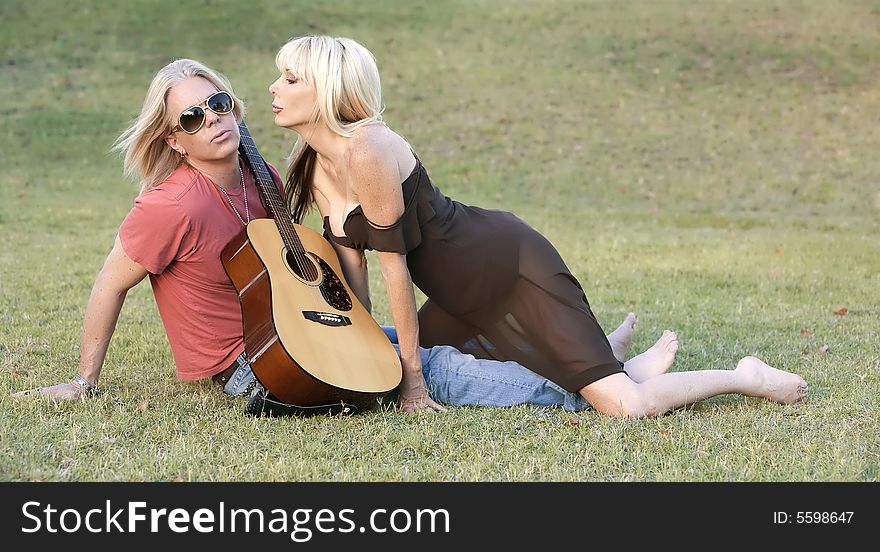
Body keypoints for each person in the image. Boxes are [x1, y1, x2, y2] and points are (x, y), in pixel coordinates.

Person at [10, 57, 639, 416]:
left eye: (222, 102)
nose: (217, 120)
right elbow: (108, 282)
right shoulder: (169, 205)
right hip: (253, 365)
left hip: (303, 328)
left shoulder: (263, 182)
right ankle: (590, 392)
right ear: (174, 138)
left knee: (434, 333)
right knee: (431, 365)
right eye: (194, 118)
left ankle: (588, 363)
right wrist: (85, 378)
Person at [268, 35, 809, 417]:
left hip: (509, 268)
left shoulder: (368, 150)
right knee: (429, 365)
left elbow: (395, 269)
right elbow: (352, 269)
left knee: (625, 408)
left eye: (290, 78)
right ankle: (614, 357)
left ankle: (745, 377)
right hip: (458, 298)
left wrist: (412, 381)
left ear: (327, 90)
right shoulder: (316, 165)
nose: (274, 87)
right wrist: (360, 350)